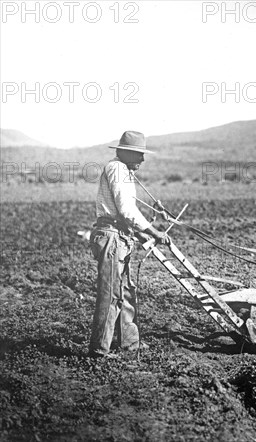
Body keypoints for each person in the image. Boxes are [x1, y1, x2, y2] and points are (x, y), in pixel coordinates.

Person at [88, 130, 170, 358]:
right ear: (124, 152)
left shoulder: (124, 170)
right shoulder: (116, 169)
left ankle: (129, 344)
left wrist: (143, 235)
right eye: (138, 154)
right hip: (112, 237)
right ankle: (99, 351)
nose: (142, 160)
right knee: (112, 294)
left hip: (120, 236)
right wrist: (154, 231)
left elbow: (125, 214)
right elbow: (126, 210)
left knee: (125, 292)